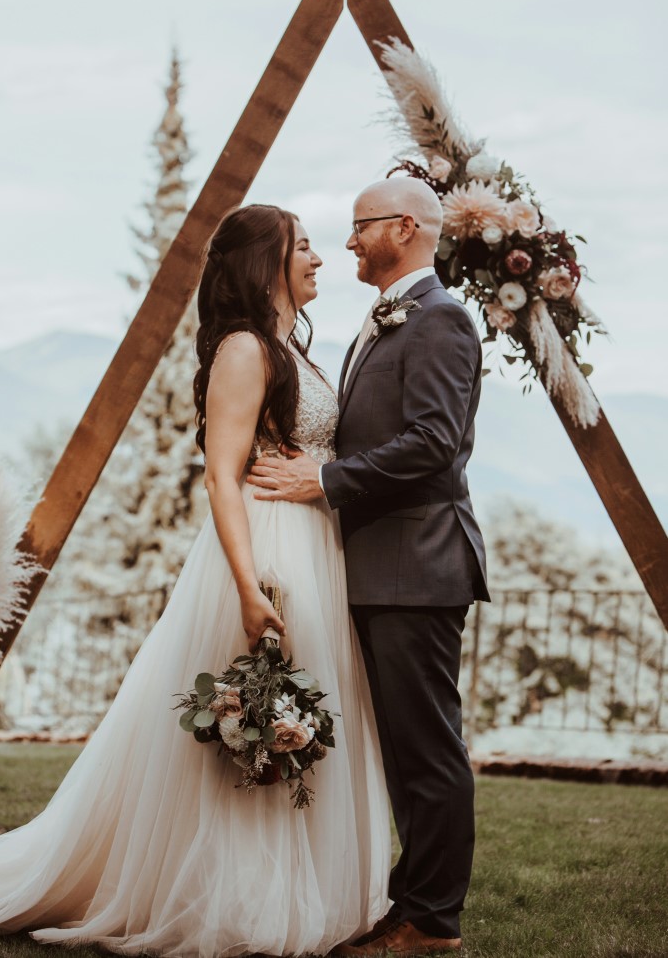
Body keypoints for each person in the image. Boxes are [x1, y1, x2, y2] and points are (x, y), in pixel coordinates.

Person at [0, 204, 391, 956]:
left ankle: (303, 883)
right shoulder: (246, 349)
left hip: (314, 541)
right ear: (264, 262)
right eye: (303, 246)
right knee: (254, 713)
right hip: (266, 547)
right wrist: (249, 586)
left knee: (299, 713)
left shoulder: (292, 348)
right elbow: (220, 475)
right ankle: (239, 894)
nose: (319, 257)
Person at [248, 176, 490, 956]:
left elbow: (433, 443)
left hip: (416, 564)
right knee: (403, 748)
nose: (348, 241)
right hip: (377, 564)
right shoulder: (389, 320)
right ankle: (411, 901)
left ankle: (430, 921)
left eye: (360, 226)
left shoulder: (441, 321)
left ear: (408, 227)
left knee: (425, 748)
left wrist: (322, 482)